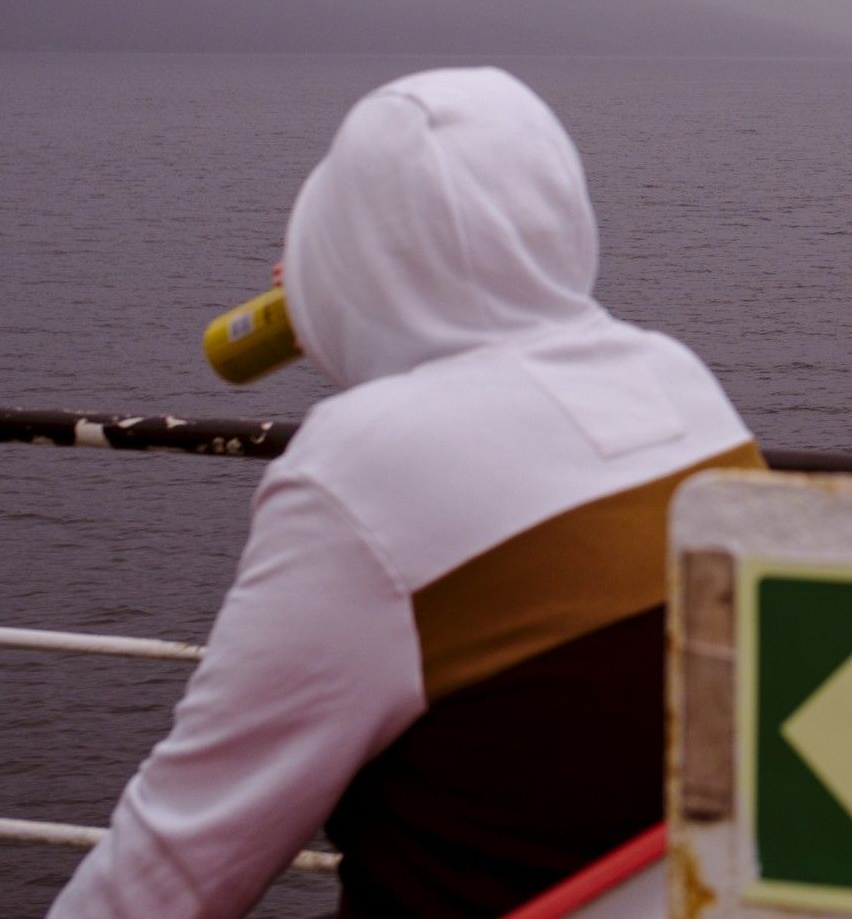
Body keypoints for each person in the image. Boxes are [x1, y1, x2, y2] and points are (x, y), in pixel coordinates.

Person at [54, 67, 764, 917]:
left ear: (348, 253)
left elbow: (177, 867)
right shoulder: (676, 379)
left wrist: (338, 305)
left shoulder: (357, 472)